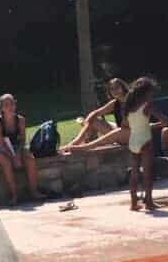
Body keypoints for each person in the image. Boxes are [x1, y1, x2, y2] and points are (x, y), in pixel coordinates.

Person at [0, 94, 43, 205]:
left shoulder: (20, 120)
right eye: (6, 105)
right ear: (1, 108)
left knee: (30, 158)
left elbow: (23, 140)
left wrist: (18, 154)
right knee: (7, 162)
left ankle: (34, 191)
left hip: (17, 148)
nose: (10, 107)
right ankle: (14, 195)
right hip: (1, 150)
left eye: (12, 104)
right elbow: (0, 145)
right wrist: (14, 158)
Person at [123, 77, 162, 212]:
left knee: (134, 173)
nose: (152, 95)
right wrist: (155, 124)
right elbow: (164, 121)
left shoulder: (129, 107)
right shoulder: (147, 106)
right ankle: (149, 202)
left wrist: (145, 125)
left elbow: (128, 125)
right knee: (147, 173)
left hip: (133, 140)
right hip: (145, 140)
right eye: (151, 93)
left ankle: (133, 203)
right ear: (146, 93)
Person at [61, 78, 129, 152]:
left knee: (118, 131)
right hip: (120, 133)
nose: (115, 91)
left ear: (123, 87)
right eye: (112, 89)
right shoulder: (115, 103)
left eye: (117, 87)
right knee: (94, 120)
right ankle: (76, 142)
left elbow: (127, 124)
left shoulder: (132, 100)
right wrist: (87, 122)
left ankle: (84, 147)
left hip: (131, 136)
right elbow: (95, 113)